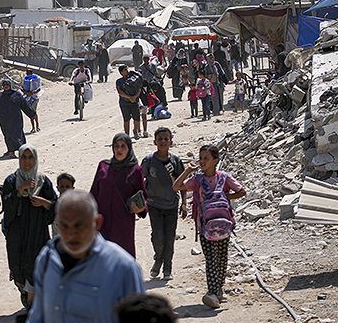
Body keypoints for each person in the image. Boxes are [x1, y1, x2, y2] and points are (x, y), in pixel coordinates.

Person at [23, 191, 145, 323]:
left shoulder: (124, 268)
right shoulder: (47, 259)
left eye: (79, 225)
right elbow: (37, 320)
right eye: (64, 225)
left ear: (97, 223)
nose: (71, 234)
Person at [173, 145, 246, 309]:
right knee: (211, 260)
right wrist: (187, 171)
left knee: (221, 259)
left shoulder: (224, 177)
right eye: (201, 157)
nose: (202, 161)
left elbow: (242, 191)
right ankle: (212, 293)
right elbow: (176, 187)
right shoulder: (197, 179)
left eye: (206, 158)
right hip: (204, 226)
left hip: (223, 225)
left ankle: (218, 290)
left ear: (216, 161)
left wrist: (226, 196)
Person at [2, 144, 58, 307]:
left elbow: (56, 204)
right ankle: (25, 294)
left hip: (37, 232)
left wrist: (45, 203)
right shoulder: (11, 181)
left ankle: (35, 300)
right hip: (17, 233)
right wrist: (20, 190)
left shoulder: (42, 181)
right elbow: (6, 207)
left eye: (30, 157)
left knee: (38, 264)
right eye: (24, 157)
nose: (27, 161)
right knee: (18, 264)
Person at [90, 133, 147, 258]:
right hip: (101, 223)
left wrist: (141, 209)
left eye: (123, 146)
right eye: (116, 146)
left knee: (123, 259)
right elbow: (93, 194)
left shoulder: (135, 171)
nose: (119, 149)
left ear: (129, 149)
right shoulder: (103, 166)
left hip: (123, 224)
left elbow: (143, 197)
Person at [141, 128, 187, 281]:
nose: (163, 142)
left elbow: (182, 184)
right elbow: (140, 182)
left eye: (166, 139)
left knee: (169, 237)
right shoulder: (148, 161)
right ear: (155, 142)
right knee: (157, 236)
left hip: (172, 205)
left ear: (171, 142)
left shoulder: (175, 161)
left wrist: (184, 204)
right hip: (154, 204)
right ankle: (158, 258)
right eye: (160, 139)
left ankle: (167, 267)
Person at [0, 79, 36, 158]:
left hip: (16, 119)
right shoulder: (0, 96)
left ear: (10, 85)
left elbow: (24, 105)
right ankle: (11, 151)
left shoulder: (17, 94)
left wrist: (32, 114)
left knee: (17, 134)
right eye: (4, 84)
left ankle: (22, 150)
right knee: (8, 135)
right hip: (4, 120)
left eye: (7, 84)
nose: (5, 86)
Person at [116, 65, 142, 139]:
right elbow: (119, 91)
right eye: (125, 70)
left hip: (134, 102)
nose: (127, 71)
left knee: (136, 118)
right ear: (121, 72)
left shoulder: (134, 78)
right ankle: (126, 135)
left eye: (127, 69)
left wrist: (135, 97)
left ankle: (136, 131)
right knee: (126, 120)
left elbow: (139, 88)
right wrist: (129, 97)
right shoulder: (119, 81)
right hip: (124, 103)